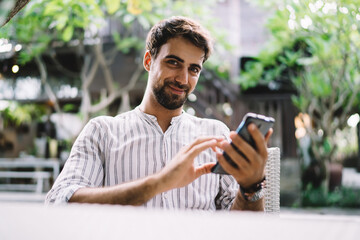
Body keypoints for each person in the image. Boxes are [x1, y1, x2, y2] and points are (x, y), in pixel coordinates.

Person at [45, 16, 272, 211]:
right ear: (148, 61)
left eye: (194, 69)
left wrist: (250, 188)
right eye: (173, 62)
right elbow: (59, 202)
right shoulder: (102, 132)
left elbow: (239, 228)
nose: (183, 79)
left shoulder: (216, 134)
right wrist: (158, 183)